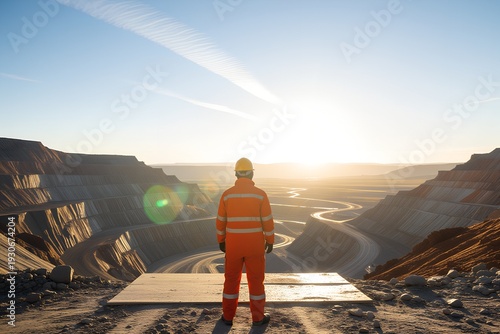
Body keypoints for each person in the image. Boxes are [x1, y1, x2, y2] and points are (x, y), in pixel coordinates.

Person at [215, 157, 274, 326]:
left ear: (236, 174)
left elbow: (220, 221)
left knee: (231, 280)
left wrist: (221, 240)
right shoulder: (260, 195)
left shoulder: (227, 195)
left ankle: (227, 317)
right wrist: (270, 240)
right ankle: (258, 318)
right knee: (256, 281)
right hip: (254, 246)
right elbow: (268, 221)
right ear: (251, 174)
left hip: (233, 246)